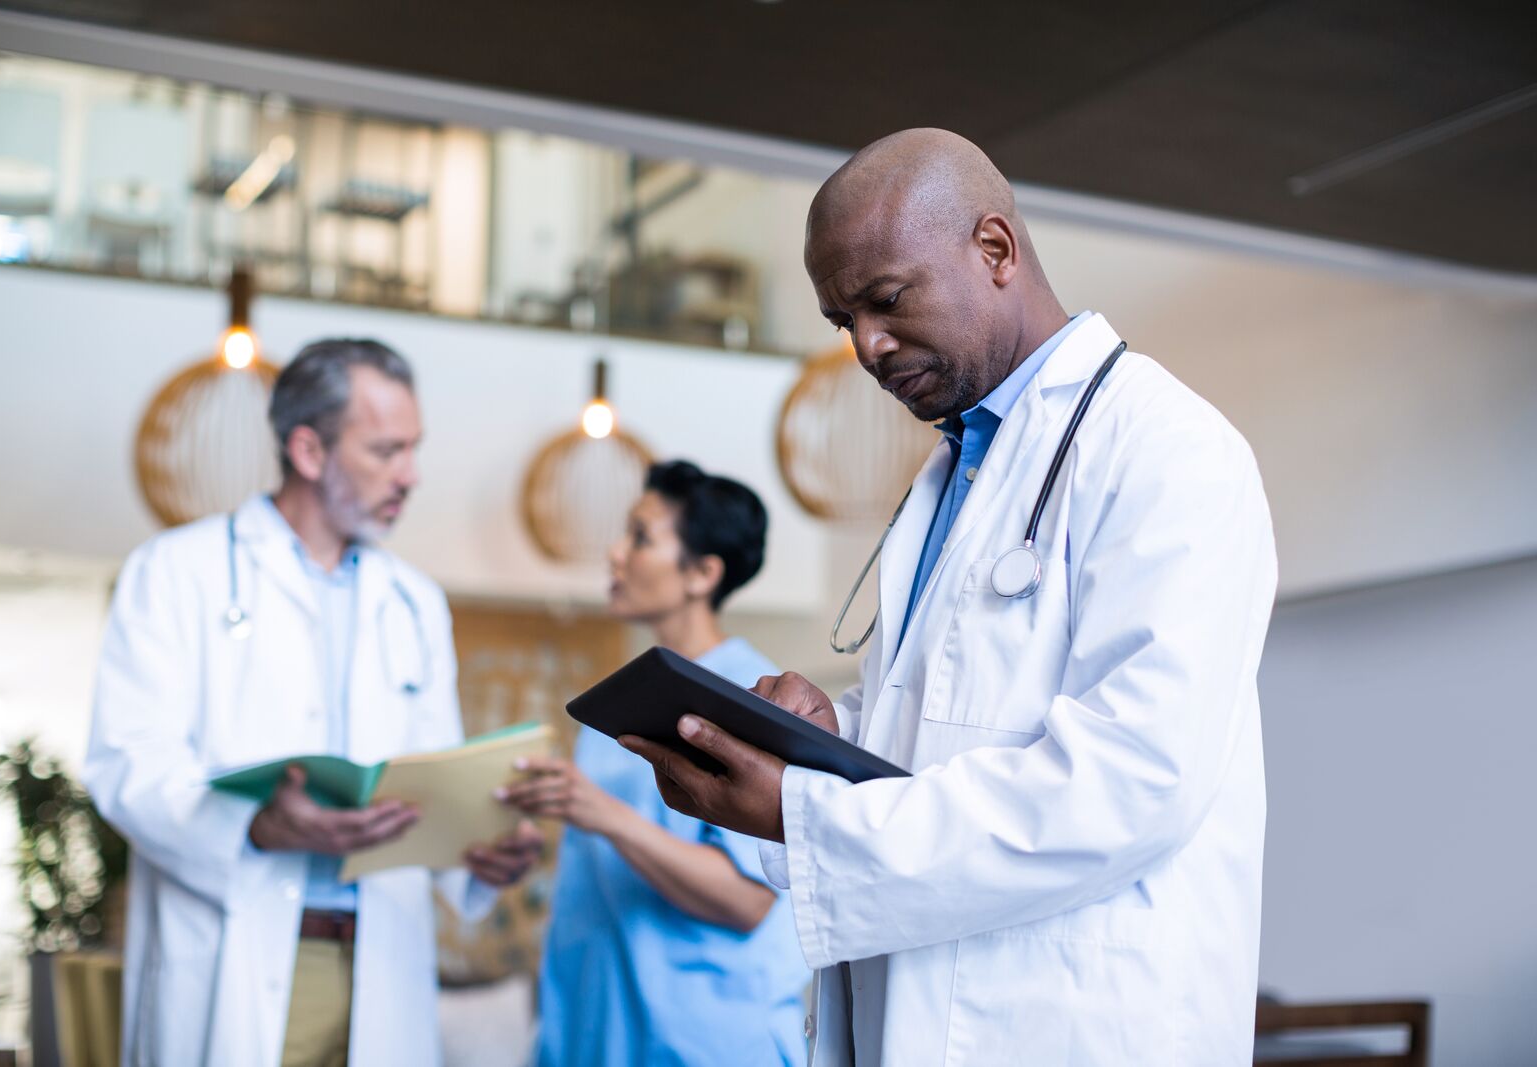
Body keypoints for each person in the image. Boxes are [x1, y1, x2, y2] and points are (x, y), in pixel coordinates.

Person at [621, 129, 1279, 1065]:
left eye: (886, 300)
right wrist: (831, 738)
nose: (867, 345)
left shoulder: (1168, 448)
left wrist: (806, 812)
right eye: (842, 319)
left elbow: (1134, 782)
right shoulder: (959, 469)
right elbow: (946, 730)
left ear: (995, 249)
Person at [85, 339, 543, 1066]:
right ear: (307, 450)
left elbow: (434, 778)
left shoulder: (414, 602)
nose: (411, 475)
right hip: (239, 948)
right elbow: (127, 765)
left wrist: (482, 854)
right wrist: (258, 827)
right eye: (386, 451)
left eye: (414, 449)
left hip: (380, 964)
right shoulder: (176, 571)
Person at [497, 460, 809, 1066]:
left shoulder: (755, 696)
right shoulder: (617, 703)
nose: (615, 554)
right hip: (591, 1035)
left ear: (702, 573)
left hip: (704, 1044)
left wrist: (603, 815)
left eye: (640, 538)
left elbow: (748, 900)